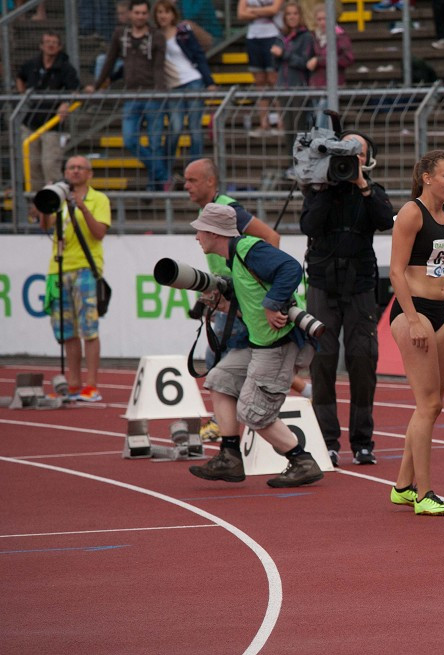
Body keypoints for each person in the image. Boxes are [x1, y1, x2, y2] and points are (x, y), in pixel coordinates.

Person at [187, 204, 324, 489]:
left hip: (278, 345)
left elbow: (290, 268)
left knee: (252, 414)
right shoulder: (235, 259)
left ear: (214, 232)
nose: (197, 236)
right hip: (259, 344)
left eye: (200, 230)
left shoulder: (249, 248)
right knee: (219, 378)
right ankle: (229, 456)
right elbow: (249, 303)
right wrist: (224, 304)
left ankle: (302, 461)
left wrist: (273, 304)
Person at [387, 150, 444, 515]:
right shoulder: (411, 213)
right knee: (429, 405)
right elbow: (395, 271)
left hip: (440, 313)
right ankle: (424, 494)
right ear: (426, 177)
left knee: (432, 405)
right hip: (414, 313)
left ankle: (403, 486)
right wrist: (412, 318)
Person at [300, 135, 394, 467]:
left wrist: (362, 184)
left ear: (368, 159)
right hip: (324, 285)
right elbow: (308, 225)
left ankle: (362, 441)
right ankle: (326, 440)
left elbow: (385, 220)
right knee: (322, 362)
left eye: (358, 155)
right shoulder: (317, 190)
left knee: (363, 359)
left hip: (361, 286)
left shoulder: (372, 191)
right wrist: (324, 187)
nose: (350, 162)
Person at [40, 156, 111, 403]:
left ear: (90, 173)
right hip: (58, 270)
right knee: (67, 331)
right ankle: (73, 383)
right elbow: (45, 226)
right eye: (71, 167)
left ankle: (91, 385)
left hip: (86, 269)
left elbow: (99, 233)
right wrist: (45, 203)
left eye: (81, 167)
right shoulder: (57, 196)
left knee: (89, 329)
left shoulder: (99, 199)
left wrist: (81, 206)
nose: (75, 171)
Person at [87, 0, 168, 193]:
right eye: (137, 13)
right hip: (131, 94)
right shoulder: (120, 34)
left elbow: (159, 66)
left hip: (152, 94)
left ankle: (153, 184)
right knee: (130, 139)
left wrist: (160, 91)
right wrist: (97, 84)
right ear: (130, 14)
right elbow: (110, 60)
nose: (140, 16)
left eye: (143, 13)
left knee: (155, 142)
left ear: (148, 15)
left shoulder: (156, 36)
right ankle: (164, 176)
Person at [155, 0, 215, 180]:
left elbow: (199, 55)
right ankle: (165, 171)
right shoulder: (154, 36)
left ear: (173, 14)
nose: (163, 16)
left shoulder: (183, 32)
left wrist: (209, 81)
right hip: (172, 87)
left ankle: (196, 173)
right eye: (159, 12)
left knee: (195, 129)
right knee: (175, 127)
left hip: (193, 81)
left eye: (166, 12)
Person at [17, 33, 80, 202]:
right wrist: (22, 95)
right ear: (41, 46)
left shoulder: (66, 68)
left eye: (54, 43)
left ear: (60, 47)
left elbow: (74, 89)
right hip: (30, 123)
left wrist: (66, 103)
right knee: (31, 166)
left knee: (50, 165)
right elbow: (20, 77)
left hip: (52, 125)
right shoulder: (32, 65)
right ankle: (36, 206)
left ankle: (56, 203)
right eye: (47, 42)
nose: (50, 46)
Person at [238, 0, 284, 137]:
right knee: (259, 82)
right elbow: (241, 14)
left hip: (272, 35)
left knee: (273, 79)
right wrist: (264, 11)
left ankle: (282, 123)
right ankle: (264, 124)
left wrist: (252, 10)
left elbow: (274, 10)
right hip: (253, 37)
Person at [271, 1, 314, 137]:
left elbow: (304, 62)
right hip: (283, 88)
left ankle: (300, 158)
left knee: (299, 129)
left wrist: (284, 54)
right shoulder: (281, 37)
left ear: (300, 16)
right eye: (288, 14)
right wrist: (276, 56)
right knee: (288, 129)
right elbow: (276, 66)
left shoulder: (306, 36)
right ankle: (290, 158)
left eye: (295, 13)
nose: (292, 17)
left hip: (298, 88)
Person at [307, 6, 354, 130]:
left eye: (325, 19)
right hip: (316, 85)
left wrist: (320, 61)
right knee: (317, 121)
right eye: (319, 19)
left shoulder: (340, 36)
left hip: (333, 85)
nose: (322, 22)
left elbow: (348, 58)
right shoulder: (314, 37)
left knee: (322, 124)